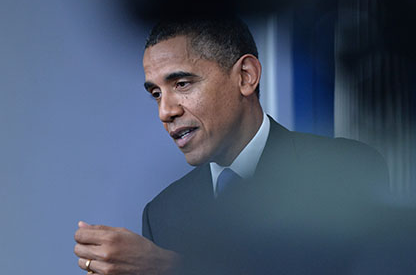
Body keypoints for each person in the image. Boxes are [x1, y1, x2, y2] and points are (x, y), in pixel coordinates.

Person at [74, 16, 389, 275]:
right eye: (156, 93)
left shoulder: (346, 169)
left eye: (182, 84)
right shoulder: (162, 214)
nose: (165, 111)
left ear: (246, 76)